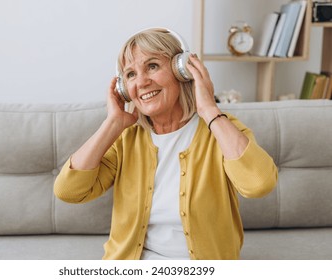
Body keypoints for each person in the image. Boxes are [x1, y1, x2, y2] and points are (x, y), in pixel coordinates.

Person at [54, 28, 278, 260]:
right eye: (130, 74)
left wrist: (210, 110)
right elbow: (68, 191)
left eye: (152, 66)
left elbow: (259, 184)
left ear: (182, 70)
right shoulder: (126, 139)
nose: (142, 82)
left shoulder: (220, 129)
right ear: (124, 89)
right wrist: (112, 123)